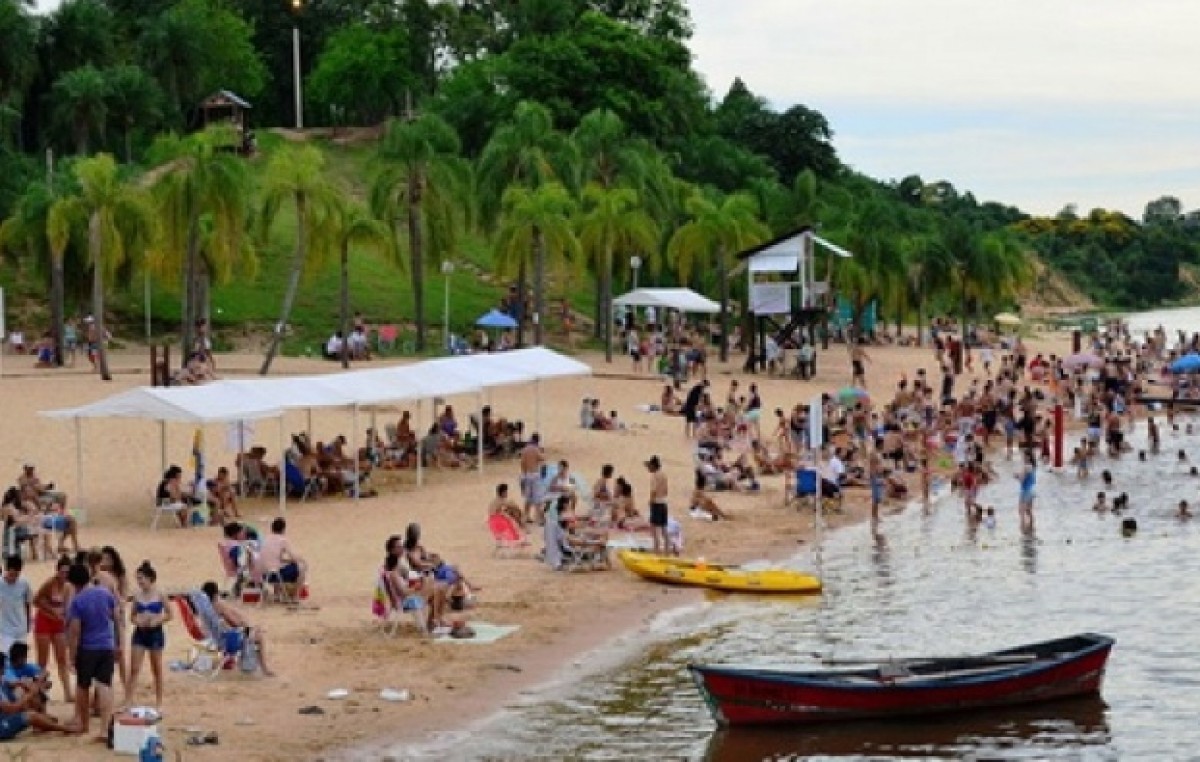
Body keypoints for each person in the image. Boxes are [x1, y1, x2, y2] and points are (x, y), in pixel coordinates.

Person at [65, 562, 118, 740]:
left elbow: (75, 632)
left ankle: (84, 724)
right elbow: (114, 617)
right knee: (104, 685)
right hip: (106, 645)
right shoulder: (105, 593)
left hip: (88, 648)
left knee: (83, 686)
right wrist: (116, 643)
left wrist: (71, 656)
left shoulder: (78, 601)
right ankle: (104, 728)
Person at [201, 582, 274, 677]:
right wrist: (249, 627)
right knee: (259, 636)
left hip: (214, 639)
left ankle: (253, 664)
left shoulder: (205, 608)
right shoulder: (218, 605)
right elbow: (235, 622)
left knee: (253, 630)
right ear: (215, 594)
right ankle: (265, 669)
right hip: (229, 641)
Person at [32, 557, 72, 704]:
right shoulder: (50, 583)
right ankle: (40, 693)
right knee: (42, 660)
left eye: (67, 572)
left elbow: (67, 606)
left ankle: (67, 692)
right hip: (44, 621)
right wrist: (51, 611)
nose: (64, 575)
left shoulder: (68, 586)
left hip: (58, 623)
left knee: (62, 658)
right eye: (62, 572)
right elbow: (36, 600)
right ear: (58, 571)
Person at [256, 517, 308, 596]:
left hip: (264, 574)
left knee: (279, 565)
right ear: (283, 529)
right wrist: (301, 558)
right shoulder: (282, 540)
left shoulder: (266, 539)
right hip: (276, 575)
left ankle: (277, 592)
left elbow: (275, 558)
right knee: (302, 567)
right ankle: (295, 595)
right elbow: (293, 557)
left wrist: (289, 561)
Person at [0, 557, 30, 659]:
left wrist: (28, 623)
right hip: (5, 630)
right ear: (6, 570)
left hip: (21, 629)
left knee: (20, 659)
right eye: (12, 574)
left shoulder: (24, 583)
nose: (14, 578)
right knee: (5, 659)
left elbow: (27, 603)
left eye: (17, 575)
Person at [645, 456, 670, 555]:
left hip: (656, 503)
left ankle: (657, 552)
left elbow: (653, 490)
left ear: (653, 466)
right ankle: (667, 552)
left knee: (654, 530)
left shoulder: (654, 476)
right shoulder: (664, 475)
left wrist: (650, 501)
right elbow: (666, 491)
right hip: (663, 502)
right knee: (664, 529)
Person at [519, 434, 545, 524]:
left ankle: (526, 516)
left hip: (526, 474)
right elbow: (542, 458)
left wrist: (524, 473)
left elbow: (522, 462)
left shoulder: (525, 450)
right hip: (535, 474)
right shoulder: (535, 449)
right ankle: (539, 518)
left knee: (528, 498)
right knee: (538, 498)